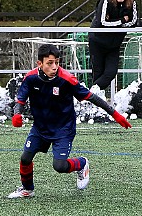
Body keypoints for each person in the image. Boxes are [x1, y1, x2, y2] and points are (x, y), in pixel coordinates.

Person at [8, 44, 131, 198]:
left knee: (59, 166)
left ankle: (81, 164)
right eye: (50, 63)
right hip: (40, 128)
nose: (54, 67)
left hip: (63, 129)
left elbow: (91, 97)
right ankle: (27, 189)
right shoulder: (31, 78)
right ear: (39, 64)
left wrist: (115, 114)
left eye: (57, 63)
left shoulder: (66, 79)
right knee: (25, 158)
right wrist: (16, 114)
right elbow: (20, 100)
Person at [88, 0, 137, 90]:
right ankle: (95, 99)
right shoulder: (105, 0)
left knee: (111, 72)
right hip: (97, 41)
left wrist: (115, 24)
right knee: (98, 72)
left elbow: (134, 22)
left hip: (114, 44)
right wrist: (122, 21)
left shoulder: (132, 1)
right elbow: (102, 22)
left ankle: (90, 93)